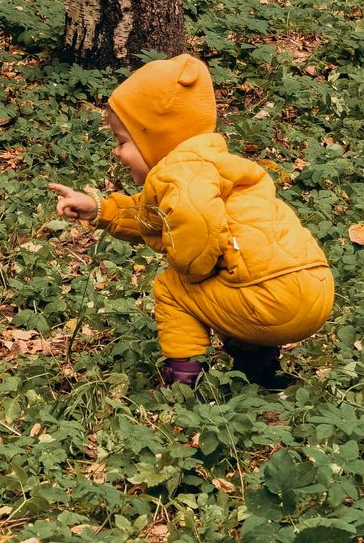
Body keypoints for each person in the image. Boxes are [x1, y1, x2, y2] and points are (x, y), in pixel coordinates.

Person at [49, 53, 334, 389]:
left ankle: (183, 381)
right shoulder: (211, 166)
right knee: (227, 279)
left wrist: (194, 267)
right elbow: (152, 217)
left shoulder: (178, 175)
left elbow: (192, 217)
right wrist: (99, 210)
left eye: (123, 142)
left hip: (272, 301)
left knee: (174, 286)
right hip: (314, 289)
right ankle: (259, 369)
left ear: (154, 136)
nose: (117, 152)